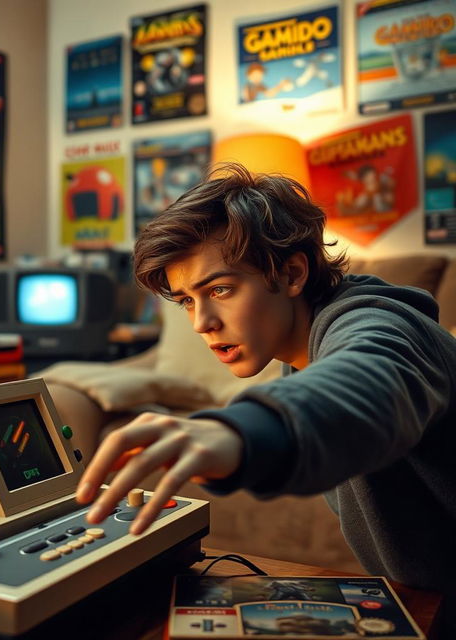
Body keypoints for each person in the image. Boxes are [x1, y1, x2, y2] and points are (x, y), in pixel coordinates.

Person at [75, 163, 456, 602]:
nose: (201, 323)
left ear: (292, 274)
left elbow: (369, 377)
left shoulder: (381, 325)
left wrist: (238, 430)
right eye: (185, 301)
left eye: (219, 289)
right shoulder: (302, 349)